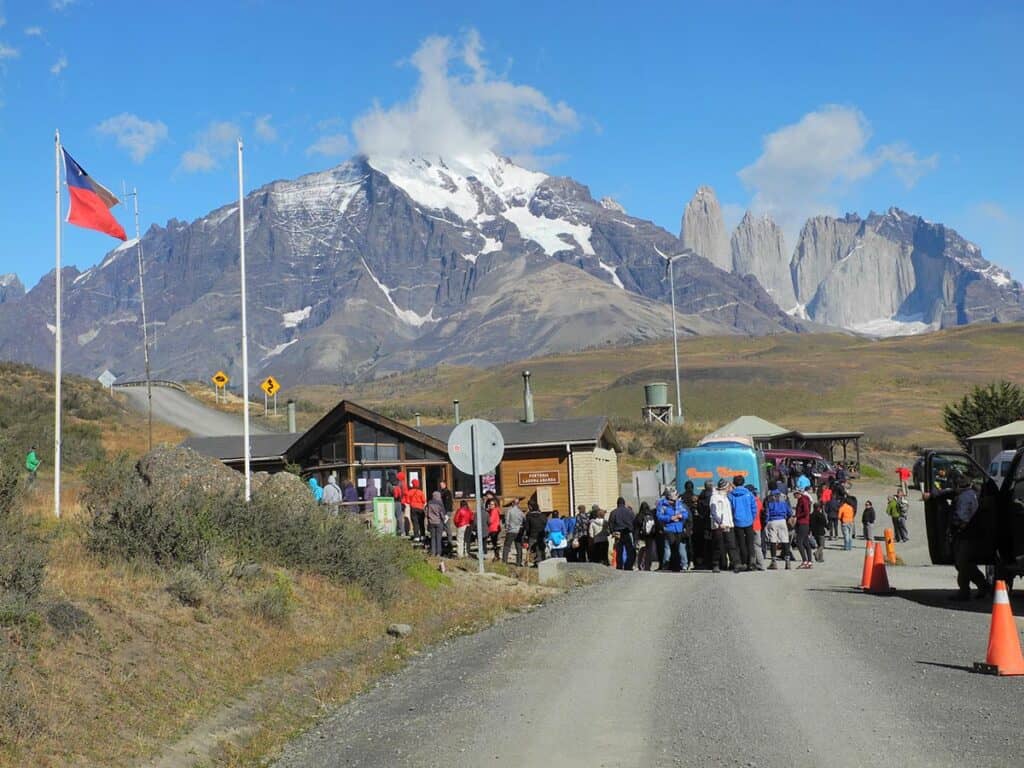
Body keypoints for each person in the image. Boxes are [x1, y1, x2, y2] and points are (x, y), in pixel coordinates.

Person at [926, 474, 988, 600]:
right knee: (966, 564)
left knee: (963, 564)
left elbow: (960, 518)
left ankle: (965, 591)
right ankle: (983, 586)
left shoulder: (963, 499)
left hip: (965, 535)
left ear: (959, 486)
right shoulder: (971, 493)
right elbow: (948, 494)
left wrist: (952, 528)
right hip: (972, 535)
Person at [709, 478, 742, 573]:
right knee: (718, 546)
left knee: (732, 545)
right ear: (724, 487)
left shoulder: (726, 497)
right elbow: (713, 512)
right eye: (728, 487)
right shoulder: (715, 498)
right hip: (719, 526)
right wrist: (720, 522)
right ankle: (715, 564)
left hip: (728, 525)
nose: (730, 488)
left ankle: (736, 564)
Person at [728, 476, 758, 571]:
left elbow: (730, 509)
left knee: (741, 543)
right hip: (748, 521)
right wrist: (752, 518)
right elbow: (754, 508)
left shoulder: (731, 495)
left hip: (737, 522)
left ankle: (744, 562)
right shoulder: (749, 494)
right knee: (750, 542)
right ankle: (752, 562)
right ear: (743, 483)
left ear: (734, 483)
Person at [656, 490, 689, 572]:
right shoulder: (663, 505)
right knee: (670, 548)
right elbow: (659, 516)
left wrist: (681, 516)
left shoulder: (679, 504)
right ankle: (667, 564)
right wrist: (670, 518)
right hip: (669, 528)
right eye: (675, 496)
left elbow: (686, 514)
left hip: (679, 528)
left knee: (679, 547)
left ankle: (681, 565)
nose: (676, 498)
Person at [764, 483, 793, 570]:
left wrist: (766, 522)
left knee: (773, 541)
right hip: (782, 520)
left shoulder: (768, 498)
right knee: (785, 540)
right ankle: (787, 561)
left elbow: (766, 512)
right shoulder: (784, 497)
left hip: (772, 520)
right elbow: (789, 511)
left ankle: (774, 562)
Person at [608, 497, 636, 570]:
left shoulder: (613, 512)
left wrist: (612, 532)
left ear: (617, 503)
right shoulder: (629, 512)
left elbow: (610, 523)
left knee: (619, 551)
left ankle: (619, 566)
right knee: (629, 550)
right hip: (627, 532)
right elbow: (634, 522)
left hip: (618, 533)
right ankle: (628, 566)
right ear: (624, 503)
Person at [682, 481, 702, 569]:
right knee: (694, 544)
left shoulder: (681, 498)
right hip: (696, 525)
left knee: (684, 544)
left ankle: (685, 561)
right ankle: (694, 561)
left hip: (684, 524)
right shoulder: (696, 498)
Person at [793, 487, 814, 569]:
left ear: (799, 493)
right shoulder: (804, 499)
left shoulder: (803, 500)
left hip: (803, 523)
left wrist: (796, 516)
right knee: (805, 542)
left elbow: (806, 511)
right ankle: (809, 562)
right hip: (804, 523)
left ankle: (805, 561)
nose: (794, 495)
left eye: (795, 494)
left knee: (799, 542)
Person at [634, 501, 658, 571]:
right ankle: (648, 566)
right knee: (649, 551)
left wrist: (636, 537)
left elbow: (636, 526)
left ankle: (640, 565)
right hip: (650, 536)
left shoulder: (639, 515)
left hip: (641, 536)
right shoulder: (651, 515)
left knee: (641, 551)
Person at [502, 498, 526, 566]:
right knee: (519, 547)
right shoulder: (521, 512)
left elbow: (507, 521)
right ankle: (519, 562)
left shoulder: (509, 511)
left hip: (511, 531)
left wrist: (506, 528)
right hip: (519, 531)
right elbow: (524, 521)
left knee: (507, 546)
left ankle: (504, 561)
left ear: (512, 503)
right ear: (518, 504)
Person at [525, 501, 549, 566]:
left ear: (531, 507)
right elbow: (546, 524)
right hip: (541, 535)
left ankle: (531, 562)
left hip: (532, 535)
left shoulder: (528, 516)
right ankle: (541, 562)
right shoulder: (543, 516)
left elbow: (527, 527)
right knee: (540, 549)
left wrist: (526, 535)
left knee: (530, 549)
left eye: (529, 506)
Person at [425, 491, 447, 556]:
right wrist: (444, 519)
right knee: (438, 538)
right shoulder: (440, 503)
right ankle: (438, 553)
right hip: (439, 522)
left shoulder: (429, 503)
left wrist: (428, 518)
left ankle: (433, 552)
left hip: (431, 522)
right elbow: (442, 514)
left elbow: (426, 512)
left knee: (433, 538)